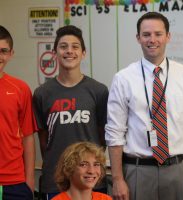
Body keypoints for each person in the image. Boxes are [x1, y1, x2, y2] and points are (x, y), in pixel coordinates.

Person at [105, 12, 183, 200]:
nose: (152, 40)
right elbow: (114, 133)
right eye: (146, 35)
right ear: (138, 38)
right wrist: (117, 178)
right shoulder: (123, 78)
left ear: (168, 36)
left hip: (178, 170)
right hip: (137, 171)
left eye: (158, 34)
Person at [33, 25, 109, 199]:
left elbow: (102, 137)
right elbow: (44, 140)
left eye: (75, 47)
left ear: (83, 53)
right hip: (54, 181)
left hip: (91, 181)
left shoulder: (99, 91)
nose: (69, 51)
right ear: (55, 53)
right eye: (63, 46)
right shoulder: (42, 93)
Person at [0, 25, 37, 199]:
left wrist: (29, 181)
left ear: (11, 54)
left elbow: (28, 137)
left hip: (15, 182)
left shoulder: (20, 89)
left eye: (3, 51)